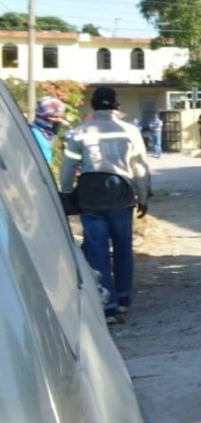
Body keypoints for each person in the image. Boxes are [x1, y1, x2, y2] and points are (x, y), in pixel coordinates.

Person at [60, 86, 151, 324]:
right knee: (123, 247)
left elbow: (68, 167)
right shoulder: (130, 130)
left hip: (91, 196)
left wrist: (67, 194)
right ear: (116, 105)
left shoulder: (79, 131)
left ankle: (107, 305)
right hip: (121, 195)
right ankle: (123, 298)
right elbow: (140, 167)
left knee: (97, 250)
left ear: (92, 105)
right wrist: (142, 197)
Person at [30, 96, 67, 161]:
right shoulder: (36, 137)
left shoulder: (42, 135)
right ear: (43, 116)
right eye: (56, 117)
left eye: (61, 117)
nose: (59, 120)